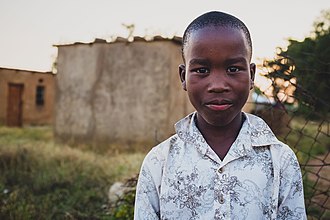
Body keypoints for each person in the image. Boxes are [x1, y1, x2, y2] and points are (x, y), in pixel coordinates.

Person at [134, 11, 307, 220]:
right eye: (201, 70)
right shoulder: (158, 163)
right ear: (183, 77)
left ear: (252, 75)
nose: (217, 86)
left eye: (233, 69)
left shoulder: (281, 161)